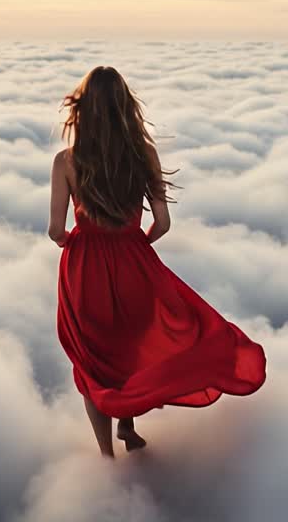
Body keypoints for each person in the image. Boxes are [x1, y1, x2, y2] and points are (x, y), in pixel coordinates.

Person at [48, 65, 267, 458]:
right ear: (125, 108)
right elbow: (162, 223)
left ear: (83, 109)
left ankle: (107, 457)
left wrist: (73, 241)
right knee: (131, 347)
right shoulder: (144, 154)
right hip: (134, 264)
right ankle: (127, 428)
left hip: (86, 271)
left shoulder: (66, 162)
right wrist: (135, 244)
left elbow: (54, 229)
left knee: (94, 366)